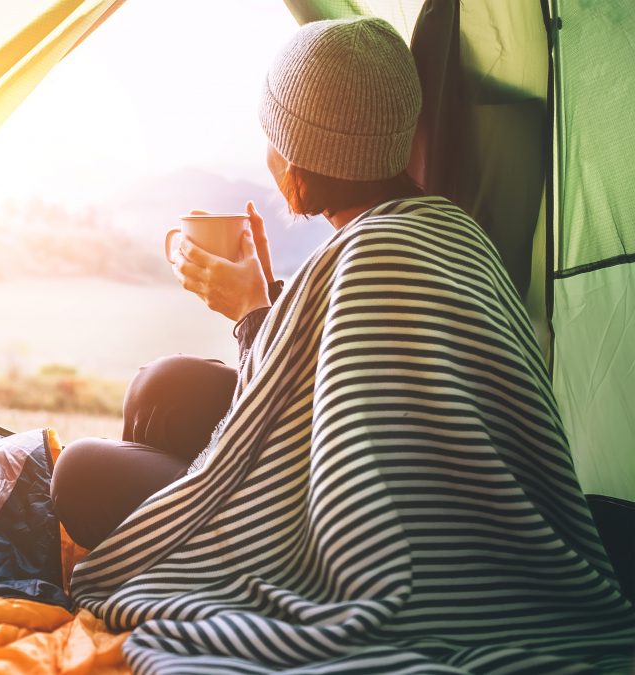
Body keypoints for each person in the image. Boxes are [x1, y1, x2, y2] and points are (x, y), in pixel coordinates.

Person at [50, 15, 426, 550]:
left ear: (300, 153)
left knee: (81, 473)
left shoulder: (369, 253)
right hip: (356, 466)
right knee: (163, 386)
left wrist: (251, 313)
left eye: (271, 133)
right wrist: (273, 299)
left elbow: (292, 441)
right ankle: (182, 519)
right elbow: (333, 387)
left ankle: (183, 547)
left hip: (354, 529)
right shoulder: (428, 226)